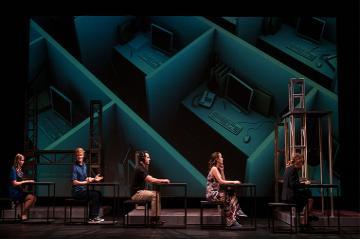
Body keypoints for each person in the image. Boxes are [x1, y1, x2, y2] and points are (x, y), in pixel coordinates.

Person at [206, 152, 247, 229]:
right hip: (212, 194)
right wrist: (234, 181)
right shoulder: (214, 168)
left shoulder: (217, 169)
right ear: (217, 159)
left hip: (216, 193)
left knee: (231, 193)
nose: (222, 158)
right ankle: (232, 218)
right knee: (228, 196)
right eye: (221, 157)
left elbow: (223, 181)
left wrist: (222, 170)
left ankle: (235, 215)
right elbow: (221, 182)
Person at [130, 151, 170, 225]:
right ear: (142, 158)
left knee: (156, 194)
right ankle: (154, 220)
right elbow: (151, 180)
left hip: (140, 192)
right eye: (148, 157)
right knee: (155, 195)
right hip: (136, 194)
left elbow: (150, 178)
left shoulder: (143, 168)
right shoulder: (140, 169)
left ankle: (156, 219)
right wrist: (163, 180)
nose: (150, 159)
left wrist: (160, 180)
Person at [282, 153, 318, 225]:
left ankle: (308, 215)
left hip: (287, 195)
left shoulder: (288, 168)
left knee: (307, 193)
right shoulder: (293, 170)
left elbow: (292, 182)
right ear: (298, 162)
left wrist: (301, 182)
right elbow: (293, 184)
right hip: (290, 196)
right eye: (302, 163)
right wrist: (305, 184)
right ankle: (304, 220)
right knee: (310, 200)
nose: (302, 165)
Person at [72, 147, 104, 223]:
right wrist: (86, 182)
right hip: (77, 192)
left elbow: (85, 178)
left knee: (99, 193)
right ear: (76, 156)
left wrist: (93, 179)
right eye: (77, 155)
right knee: (95, 195)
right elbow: (74, 182)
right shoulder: (75, 167)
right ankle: (93, 217)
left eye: (80, 155)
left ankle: (93, 216)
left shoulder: (84, 166)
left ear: (83, 155)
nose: (79, 157)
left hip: (83, 190)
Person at [9, 153, 37, 220]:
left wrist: (28, 181)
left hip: (19, 191)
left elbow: (22, 181)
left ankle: (22, 214)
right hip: (14, 192)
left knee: (34, 199)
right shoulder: (13, 169)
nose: (23, 162)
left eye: (23, 160)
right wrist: (26, 181)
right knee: (32, 198)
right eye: (21, 160)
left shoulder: (20, 170)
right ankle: (22, 214)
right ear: (17, 160)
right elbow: (14, 183)